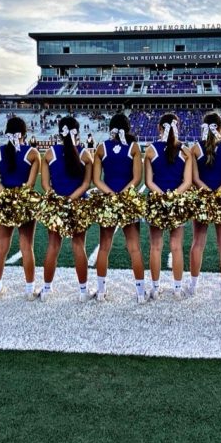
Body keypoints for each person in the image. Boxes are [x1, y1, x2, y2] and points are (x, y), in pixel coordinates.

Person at [92, 113, 145, 302]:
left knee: (104, 247)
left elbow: (96, 180)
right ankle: (140, 293)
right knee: (134, 248)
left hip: (108, 200)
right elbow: (137, 178)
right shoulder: (133, 147)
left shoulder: (101, 148)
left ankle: (100, 291)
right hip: (127, 200)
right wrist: (123, 194)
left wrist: (111, 194)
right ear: (128, 128)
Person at [40, 115, 93, 301]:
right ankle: (83, 291)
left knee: (53, 246)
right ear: (77, 132)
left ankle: (46, 290)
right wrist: (72, 199)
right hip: (78, 204)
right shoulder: (85, 154)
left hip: (57, 205)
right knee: (79, 246)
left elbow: (46, 185)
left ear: (59, 133)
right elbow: (86, 184)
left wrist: (60, 200)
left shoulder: (49, 154)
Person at [0, 116, 41, 299]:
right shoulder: (33, 153)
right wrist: (18, 198)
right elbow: (30, 184)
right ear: (24, 133)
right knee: (27, 246)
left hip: (4, 203)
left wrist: (7, 196)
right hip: (24, 204)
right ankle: (29, 290)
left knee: (2, 246)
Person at [189, 112, 221, 297]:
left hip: (202, 198)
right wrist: (218, 193)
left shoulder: (195, 148)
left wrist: (207, 193)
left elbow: (194, 178)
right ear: (220, 127)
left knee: (198, 242)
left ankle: (193, 285)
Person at [144, 113, 193, 300]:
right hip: (177, 202)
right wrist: (173, 197)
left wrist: (162, 197)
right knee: (176, 247)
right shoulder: (185, 151)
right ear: (177, 127)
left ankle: (155, 289)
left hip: (156, 201)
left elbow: (149, 182)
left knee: (155, 246)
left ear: (159, 128)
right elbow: (187, 182)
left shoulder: (150, 150)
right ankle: (178, 289)